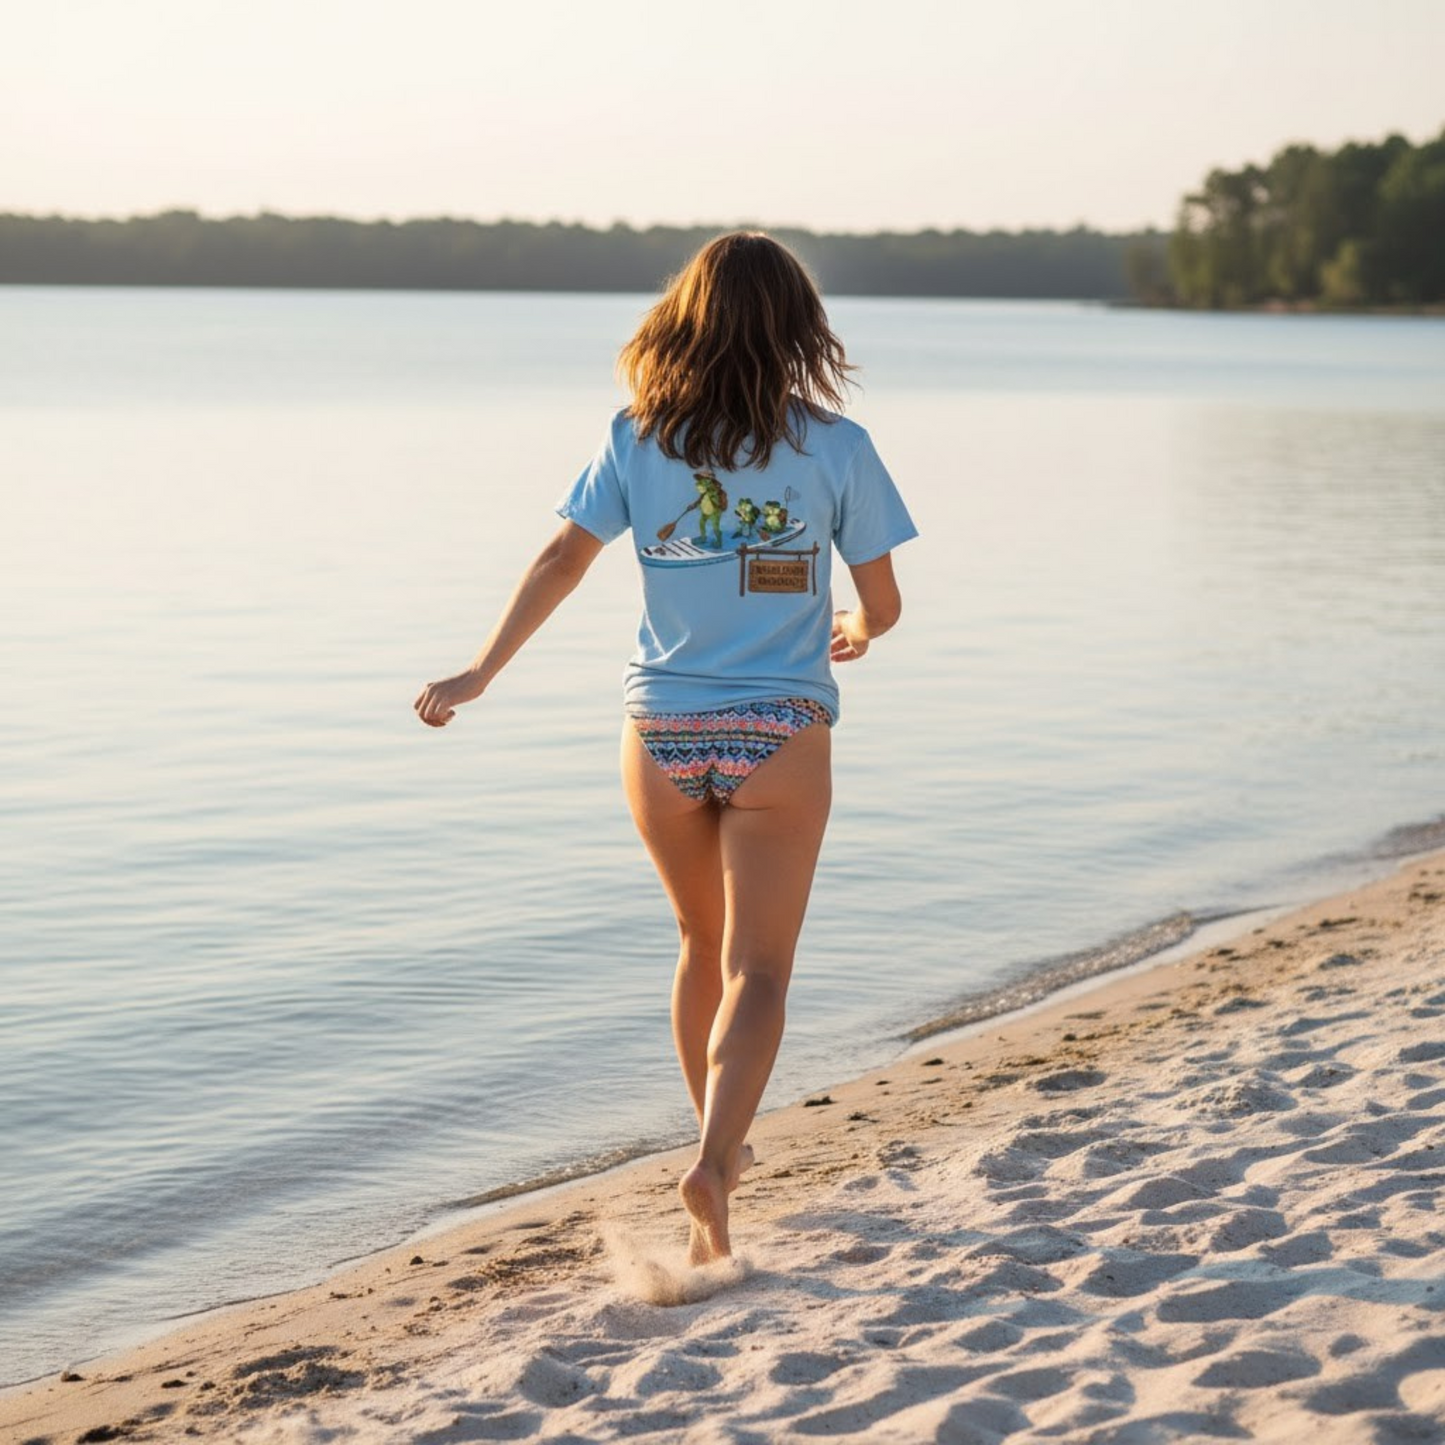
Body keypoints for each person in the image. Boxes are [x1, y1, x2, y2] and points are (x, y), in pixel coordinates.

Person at [414, 232, 917, 1265]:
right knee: (760, 967)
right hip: (779, 730)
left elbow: (562, 557)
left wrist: (478, 673)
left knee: (699, 946)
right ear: (796, 328)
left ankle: (716, 1159)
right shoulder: (837, 446)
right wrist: (857, 632)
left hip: (659, 732)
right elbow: (882, 602)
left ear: (681, 319)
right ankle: (712, 1154)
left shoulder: (636, 437)